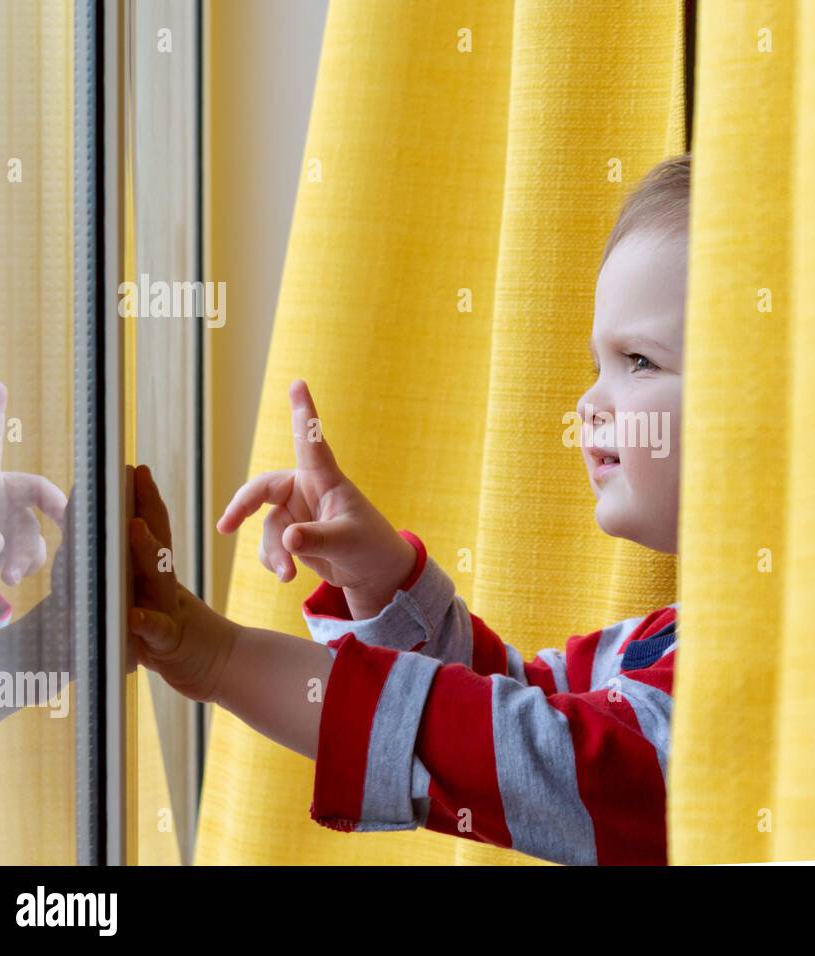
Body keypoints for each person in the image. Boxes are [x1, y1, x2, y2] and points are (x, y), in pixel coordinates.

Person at [129, 154, 691, 866]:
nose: (589, 403)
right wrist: (382, 578)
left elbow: (540, 755)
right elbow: (512, 696)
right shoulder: (662, 642)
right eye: (596, 365)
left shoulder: (751, 676)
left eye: (639, 361)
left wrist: (226, 659)